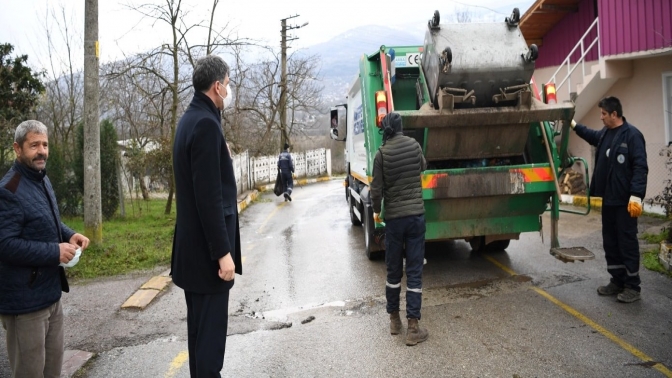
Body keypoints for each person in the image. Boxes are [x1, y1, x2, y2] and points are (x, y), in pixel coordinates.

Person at [0, 120, 90, 378]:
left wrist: (70, 234)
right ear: (17, 149)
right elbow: (5, 245)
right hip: (25, 304)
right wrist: (54, 252)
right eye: (34, 145)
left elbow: (47, 219)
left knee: (52, 372)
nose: (42, 151)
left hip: (50, 294)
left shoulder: (40, 178)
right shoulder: (9, 190)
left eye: (45, 145)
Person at [171, 55, 242, 377]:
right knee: (210, 344)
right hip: (207, 257)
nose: (229, 89)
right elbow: (209, 199)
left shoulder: (191, 119)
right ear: (217, 86)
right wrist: (223, 254)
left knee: (200, 337)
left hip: (193, 253)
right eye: (228, 84)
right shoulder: (205, 124)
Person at [571, 96, 648, 303]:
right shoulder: (606, 133)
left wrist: (636, 195)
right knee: (611, 242)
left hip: (625, 202)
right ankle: (617, 281)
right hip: (609, 200)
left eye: (604, 114)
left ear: (615, 114)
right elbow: (591, 135)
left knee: (627, 242)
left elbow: (640, 167)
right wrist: (574, 125)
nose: (601, 117)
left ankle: (632, 286)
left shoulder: (632, 136)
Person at [370, 112, 428, 346]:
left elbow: (376, 189)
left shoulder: (381, 154)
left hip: (394, 220)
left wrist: (376, 210)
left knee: (394, 270)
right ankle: (413, 327)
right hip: (415, 217)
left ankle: (394, 320)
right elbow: (422, 167)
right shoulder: (414, 145)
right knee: (414, 270)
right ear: (401, 127)